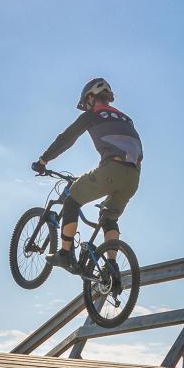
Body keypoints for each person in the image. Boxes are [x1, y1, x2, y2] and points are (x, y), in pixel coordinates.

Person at [31, 77, 142, 271]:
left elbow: (67, 138)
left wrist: (44, 160)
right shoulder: (126, 118)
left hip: (112, 170)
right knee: (109, 217)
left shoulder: (93, 114)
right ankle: (112, 268)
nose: (87, 106)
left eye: (87, 102)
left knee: (72, 199)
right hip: (133, 177)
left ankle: (65, 254)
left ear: (91, 97)